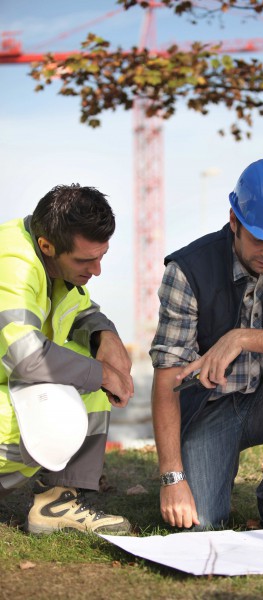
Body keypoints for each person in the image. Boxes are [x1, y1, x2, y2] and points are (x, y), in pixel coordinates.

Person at [150, 158, 263, 537]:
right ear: (234, 221)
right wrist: (172, 478)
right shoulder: (186, 271)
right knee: (198, 524)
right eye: (258, 239)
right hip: (210, 409)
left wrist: (240, 337)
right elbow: (167, 377)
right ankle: (202, 470)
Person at [0, 184, 134, 535]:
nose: (97, 270)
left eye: (101, 256)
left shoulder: (54, 265)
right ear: (47, 246)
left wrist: (105, 335)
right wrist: (103, 373)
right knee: (88, 379)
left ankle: (57, 505)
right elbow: (25, 356)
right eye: (85, 260)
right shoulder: (12, 263)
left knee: (85, 371)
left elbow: (81, 309)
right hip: (13, 375)